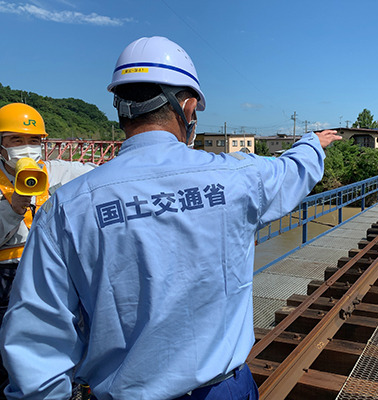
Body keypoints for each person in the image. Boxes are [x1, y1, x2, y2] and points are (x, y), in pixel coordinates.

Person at [0, 36, 341, 400]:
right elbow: (290, 171)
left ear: (120, 107)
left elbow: (37, 341)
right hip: (223, 390)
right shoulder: (239, 178)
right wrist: (311, 143)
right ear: (188, 106)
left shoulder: (66, 208)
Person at [0, 102, 96, 397]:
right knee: (10, 351)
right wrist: (13, 207)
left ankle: (72, 386)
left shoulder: (62, 172)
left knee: (62, 337)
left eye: (33, 140)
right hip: (6, 276)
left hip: (52, 268)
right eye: (16, 140)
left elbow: (104, 181)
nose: (26, 148)